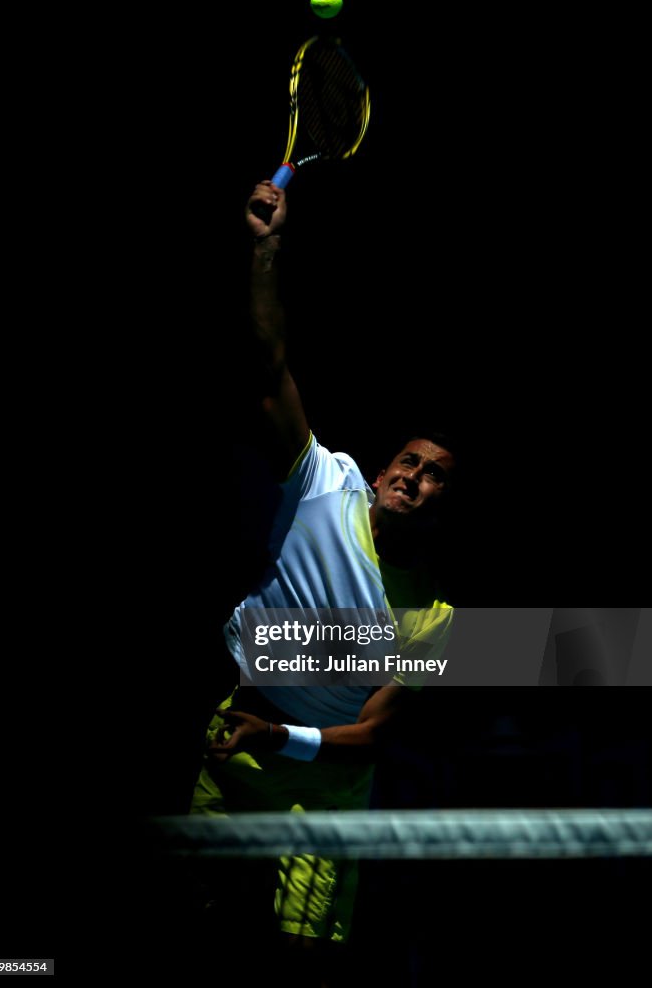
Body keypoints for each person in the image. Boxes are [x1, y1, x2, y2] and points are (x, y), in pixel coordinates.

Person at [190, 180, 456, 984]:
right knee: (193, 923)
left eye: (435, 476)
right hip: (236, 738)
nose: (413, 476)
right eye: (408, 461)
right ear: (381, 470)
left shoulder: (439, 618)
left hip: (327, 783)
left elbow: (375, 734)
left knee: (303, 965)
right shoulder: (323, 482)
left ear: (446, 506)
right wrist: (264, 248)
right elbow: (267, 365)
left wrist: (288, 740)